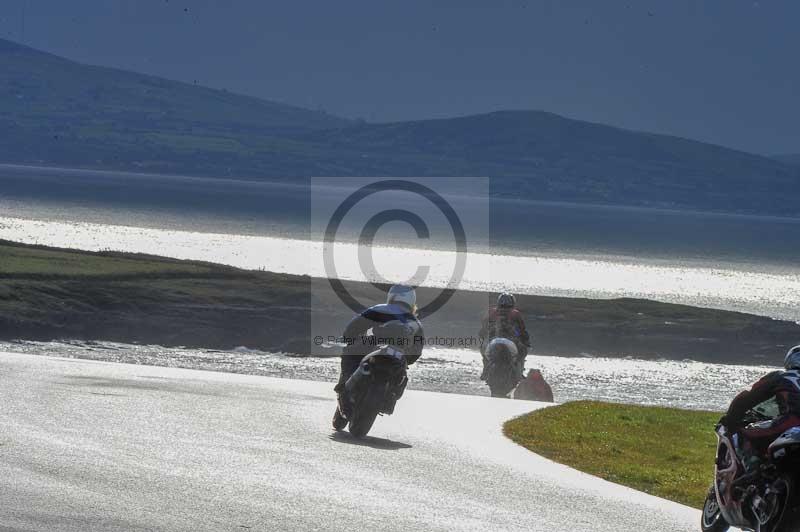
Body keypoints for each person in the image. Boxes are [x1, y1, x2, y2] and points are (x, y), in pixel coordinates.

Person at [333, 285, 425, 421]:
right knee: (402, 374)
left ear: (392, 297)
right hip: (396, 357)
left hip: (370, 349)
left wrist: (348, 338)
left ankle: (343, 387)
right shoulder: (416, 323)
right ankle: (390, 395)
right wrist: (407, 360)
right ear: (412, 302)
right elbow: (417, 350)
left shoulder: (379, 309)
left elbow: (354, 327)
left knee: (350, 352)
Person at [720, 345, 800, 471]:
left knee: (744, 434)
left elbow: (746, 397)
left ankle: (752, 470)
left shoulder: (781, 376)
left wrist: (731, 419)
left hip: (791, 423)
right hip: (793, 428)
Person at [478, 292, 530, 379]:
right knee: (523, 351)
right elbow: (522, 330)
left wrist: (483, 337)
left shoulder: (491, 312)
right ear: (513, 304)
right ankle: (519, 371)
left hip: (492, 338)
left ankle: (485, 370)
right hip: (512, 339)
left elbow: (483, 329)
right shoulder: (516, 314)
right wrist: (526, 341)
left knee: (483, 351)